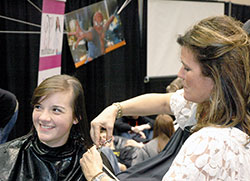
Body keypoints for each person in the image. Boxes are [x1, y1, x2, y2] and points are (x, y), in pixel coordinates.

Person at [80, 15, 250, 181]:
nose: (179, 74)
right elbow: (163, 102)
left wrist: (96, 175)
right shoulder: (215, 105)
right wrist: (115, 109)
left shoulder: (210, 143)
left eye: (187, 68)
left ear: (216, 76)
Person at [0, 74, 116, 180]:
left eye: (56, 110)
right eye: (38, 107)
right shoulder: (7, 156)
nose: (43, 118)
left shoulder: (94, 163)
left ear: (76, 117)